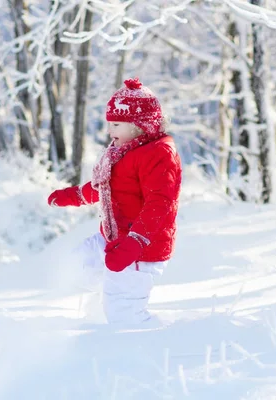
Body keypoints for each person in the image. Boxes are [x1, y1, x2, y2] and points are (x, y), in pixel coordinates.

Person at [47, 77, 182, 324]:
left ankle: (160, 337)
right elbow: (108, 188)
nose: (109, 131)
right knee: (73, 266)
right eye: (110, 124)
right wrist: (73, 196)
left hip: (141, 249)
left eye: (116, 124)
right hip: (113, 238)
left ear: (140, 126)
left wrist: (135, 243)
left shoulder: (158, 155)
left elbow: (160, 204)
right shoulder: (122, 152)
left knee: (124, 315)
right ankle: (101, 310)